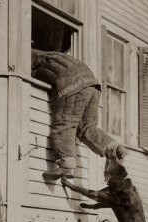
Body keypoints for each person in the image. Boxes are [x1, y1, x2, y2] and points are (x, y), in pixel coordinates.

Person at [32, 49, 128, 180]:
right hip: (93, 83)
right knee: (87, 127)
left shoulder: (30, 56)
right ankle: (113, 147)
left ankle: (66, 165)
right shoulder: (52, 55)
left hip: (72, 80)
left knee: (65, 121)